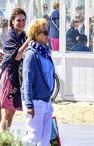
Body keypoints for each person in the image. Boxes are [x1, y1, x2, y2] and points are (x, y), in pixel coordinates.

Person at [21, 18, 55, 146]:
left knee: (45, 141)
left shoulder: (45, 53)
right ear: (36, 34)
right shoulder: (31, 54)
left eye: (48, 32)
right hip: (35, 101)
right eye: (44, 32)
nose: (48, 35)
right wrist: (29, 104)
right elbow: (27, 81)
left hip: (46, 100)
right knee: (34, 137)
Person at [0, 8, 29, 130]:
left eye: (23, 20)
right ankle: (1, 139)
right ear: (12, 22)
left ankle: (1, 138)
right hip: (10, 77)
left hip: (18, 76)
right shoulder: (9, 36)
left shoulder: (22, 35)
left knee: (10, 113)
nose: (21, 23)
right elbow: (17, 56)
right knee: (8, 113)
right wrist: (29, 41)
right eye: (18, 20)